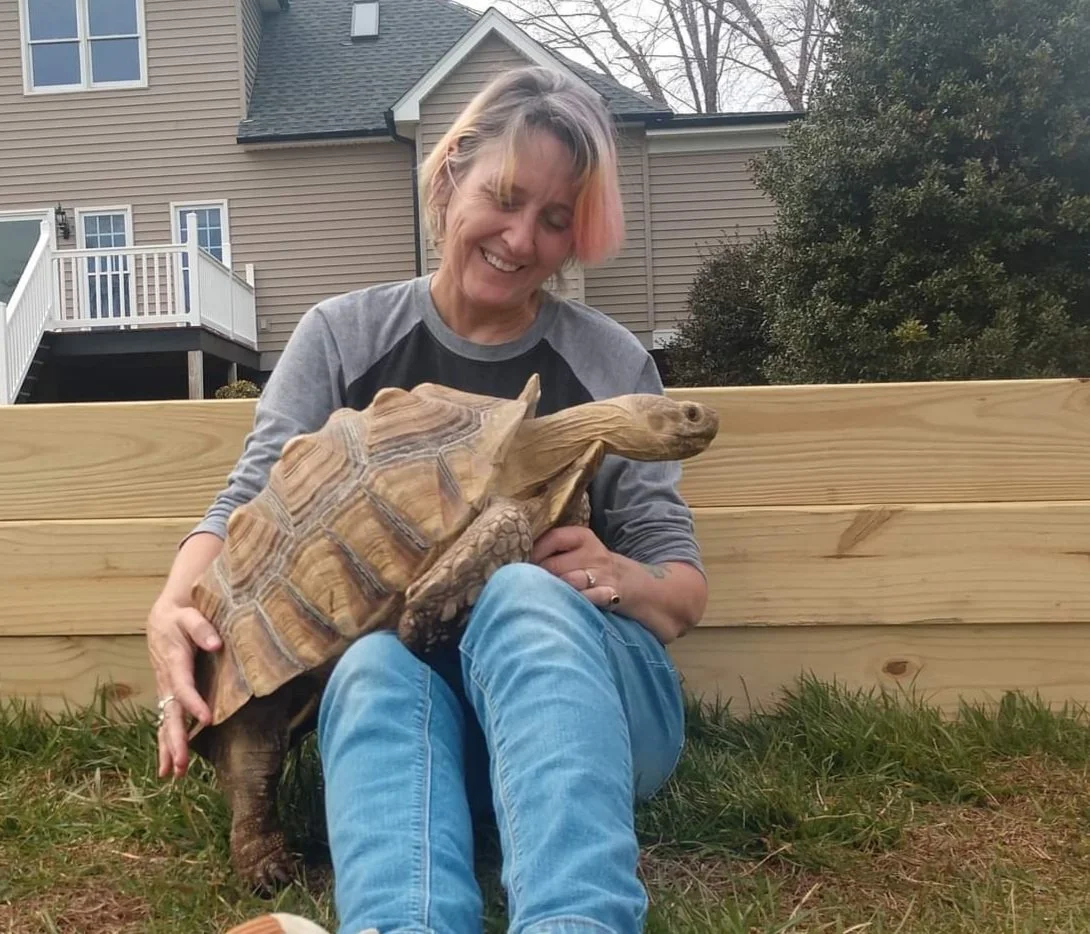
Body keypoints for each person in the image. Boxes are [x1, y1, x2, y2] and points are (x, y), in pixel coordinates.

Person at [147, 65, 708, 934]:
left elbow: (682, 588)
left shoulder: (608, 362)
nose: (521, 238)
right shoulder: (345, 337)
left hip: (589, 710)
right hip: (425, 730)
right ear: (450, 177)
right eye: (505, 198)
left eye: (555, 219)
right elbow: (250, 501)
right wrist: (172, 607)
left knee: (521, 590)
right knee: (370, 666)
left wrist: (617, 576)